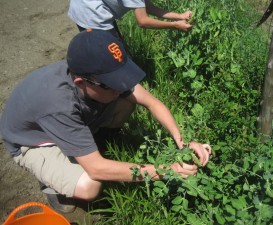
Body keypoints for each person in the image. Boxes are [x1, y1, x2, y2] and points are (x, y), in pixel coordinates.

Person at [0, 29, 211, 214]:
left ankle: (91, 145)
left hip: (67, 120)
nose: (121, 87)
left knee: (128, 102)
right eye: (112, 84)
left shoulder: (98, 72)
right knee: (89, 185)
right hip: (33, 141)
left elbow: (153, 104)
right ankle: (52, 186)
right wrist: (166, 170)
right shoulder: (59, 105)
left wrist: (184, 144)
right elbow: (97, 170)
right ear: (82, 82)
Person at [68, 0, 193, 34]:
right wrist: (174, 25)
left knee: (118, 56)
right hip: (90, 15)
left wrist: (179, 16)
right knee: (114, 60)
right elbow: (143, 21)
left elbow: (148, 7)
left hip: (87, 7)